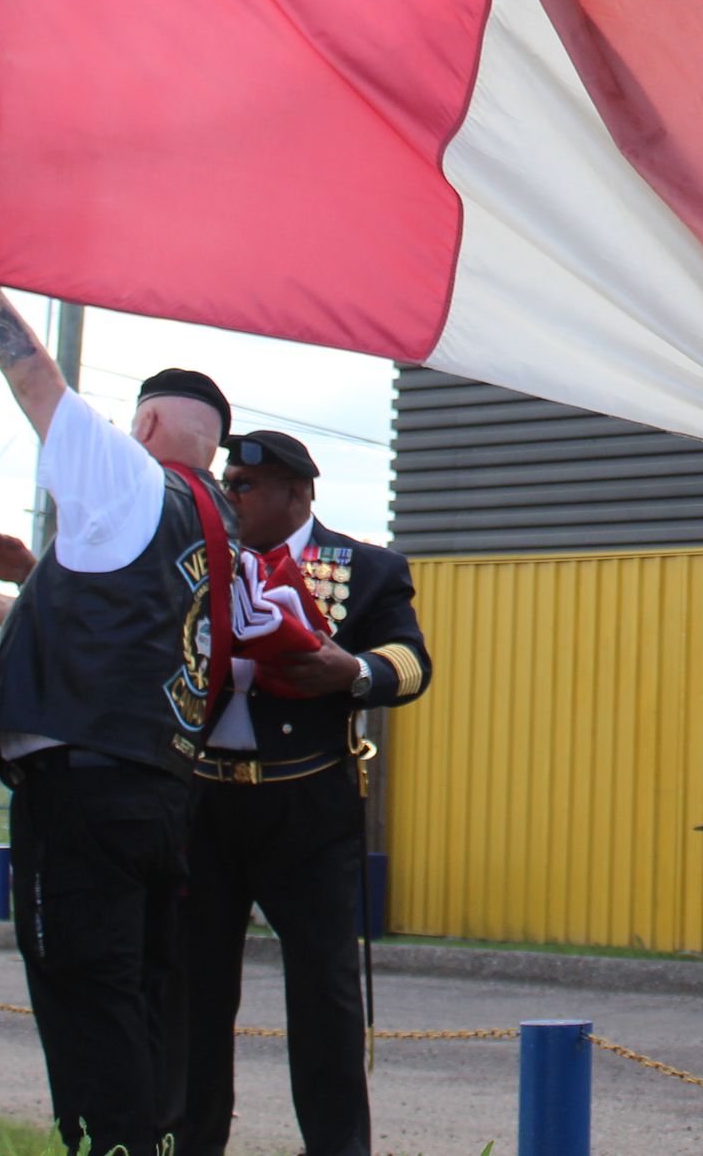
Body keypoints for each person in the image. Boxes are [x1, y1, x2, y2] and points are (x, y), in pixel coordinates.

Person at [0, 285, 350, 1156]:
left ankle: (118, 1144)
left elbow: (35, 382)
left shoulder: (133, 477)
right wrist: (12, 598)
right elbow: (138, 641)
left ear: (143, 430)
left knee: (82, 988)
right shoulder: (222, 532)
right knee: (136, 989)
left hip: (85, 782)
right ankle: (142, 1140)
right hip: (160, 787)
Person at [174, 427, 431, 1156]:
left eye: (245, 487)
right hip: (207, 804)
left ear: (298, 491)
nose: (230, 497)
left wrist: (350, 673)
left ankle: (337, 1147)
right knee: (195, 991)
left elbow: (410, 663)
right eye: (227, 485)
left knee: (323, 993)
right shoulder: (199, 565)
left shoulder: (363, 568)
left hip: (306, 808)